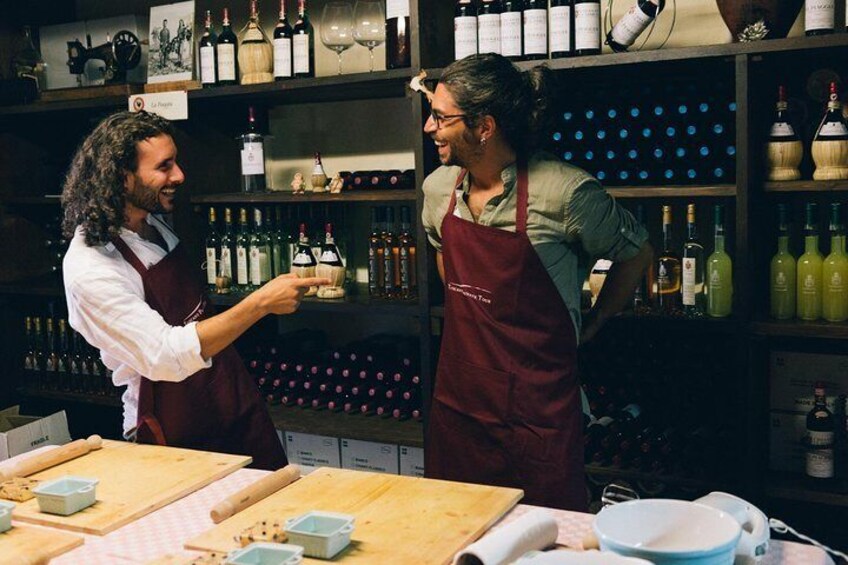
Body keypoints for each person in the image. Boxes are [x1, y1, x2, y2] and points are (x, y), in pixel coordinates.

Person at [421, 54, 653, 511]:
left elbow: (637, 253)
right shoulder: (437, 190)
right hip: (459, 402)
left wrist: (596, 321)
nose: (430, 127)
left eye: (441, 117)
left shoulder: (566, 193)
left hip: (536, 410)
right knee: (455, 526)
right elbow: (445, 253)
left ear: (484, 127)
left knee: (547, 537)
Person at [61, 111, 328, 470]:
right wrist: (261, 303)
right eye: (164, 166)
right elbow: (165, 354)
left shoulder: (151, 223)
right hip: (174, 430)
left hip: (228, 401)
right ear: (121, 178)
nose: (179, 175)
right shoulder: (92, 268)